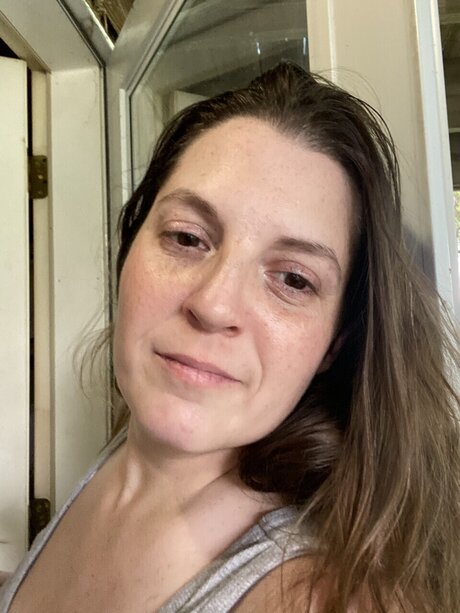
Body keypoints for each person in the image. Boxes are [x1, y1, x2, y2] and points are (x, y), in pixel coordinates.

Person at [1, 62, 459, 612]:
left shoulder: (320, 598)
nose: (213, 305)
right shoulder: (129, 452)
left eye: (293, 280)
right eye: (187, 238)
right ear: (129, 247)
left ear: (335, 344)